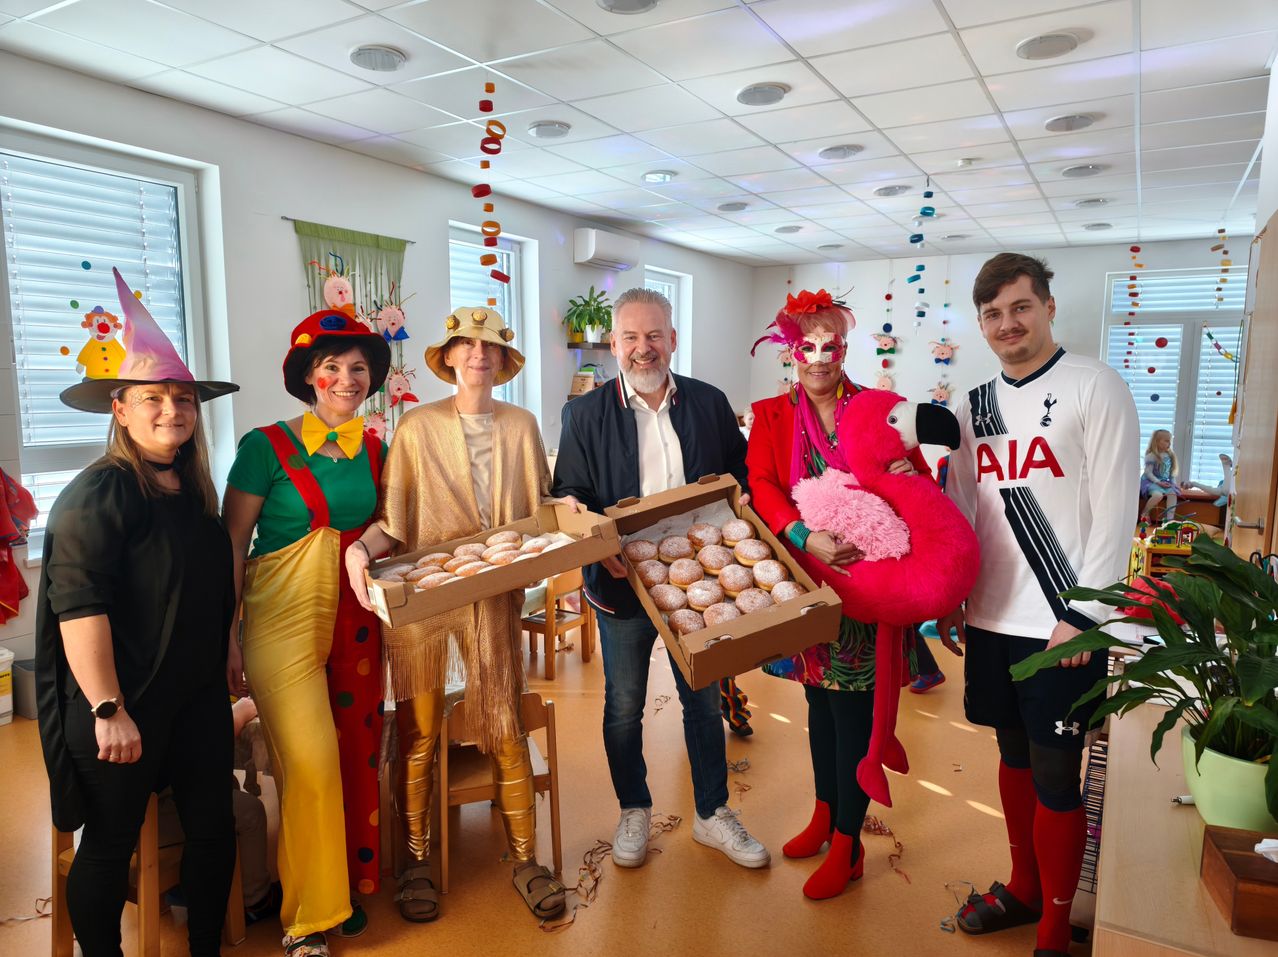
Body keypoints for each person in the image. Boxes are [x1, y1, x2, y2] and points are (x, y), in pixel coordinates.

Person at [35, 267, 239, 957]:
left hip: (194, 698)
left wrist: (227, 648)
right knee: (109, 847)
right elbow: (78, 607)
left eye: (182, 398)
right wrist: (105, 707)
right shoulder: (99, 494)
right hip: (121, 708)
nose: (171, 410)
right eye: (153, 397)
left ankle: (206, 947)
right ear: (119, 408)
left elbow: (206, 589)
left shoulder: (193, 488)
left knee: (216, 830)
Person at [938, 253, 1138, 957]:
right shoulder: (971, 406)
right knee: (1013, 756)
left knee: (1058, 769)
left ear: (1048, 306)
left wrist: (1086, 614)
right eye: (992, 313)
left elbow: (1117, 514)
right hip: (991, 616)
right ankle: (1023, 888)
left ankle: (1056, 922)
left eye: (1019, 307)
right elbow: (961, 510)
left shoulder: (1096, 386)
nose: (1006, 323)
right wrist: (948, 594)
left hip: (1063, 624)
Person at [345, 305, 567, 924]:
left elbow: (541, 508)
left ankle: (526, 859)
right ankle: (416, 861)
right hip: (426, 603)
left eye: (490, 347)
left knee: (503, 725)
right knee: (418, 735)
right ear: (449, 358)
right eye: (467, 345)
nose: (478, 354)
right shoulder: (416, 429)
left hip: (494, 602)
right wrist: (362, 549)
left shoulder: (521, 426)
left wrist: (569, 510)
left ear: (501, 361)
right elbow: (395, 521)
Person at [552, 286, 770, 871]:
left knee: (701, 703)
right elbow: (568, 495)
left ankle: (711, 814)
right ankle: (634, 809)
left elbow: (739, 474)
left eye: (654, 336)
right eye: (630, 337)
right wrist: (600, 543)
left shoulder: (709, 402)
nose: (642, 349)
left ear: (673, 339)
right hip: (620, 581)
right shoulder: (583, 413)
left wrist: (745, 509)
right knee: (623, 705)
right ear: (614, 343)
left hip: (701, 577)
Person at [746, 288, 929, 900]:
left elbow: (920, 481)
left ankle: (849, 844)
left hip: (869, 583)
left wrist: (904, 476)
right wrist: (803, 533)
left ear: (845, 348)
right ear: (788, 352)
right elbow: (763, 484)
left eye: (831, 345)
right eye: (807, 346)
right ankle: (825, 814)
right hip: (805, 581)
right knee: (818, 707)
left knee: (854, 715)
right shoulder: (772, 416)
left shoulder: (880, 410)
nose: (819, 357)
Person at [223, 307, 391, 957]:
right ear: (308, 377)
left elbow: (391, 524)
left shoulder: (374, 448)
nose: (347, 379)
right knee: (312, 764)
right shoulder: (264, 445)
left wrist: (366, 549)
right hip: (279, 622)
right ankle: (305, 919)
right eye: (332, 367)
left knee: (351, 756)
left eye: (358, 368)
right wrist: (227, 635)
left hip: (352, 623)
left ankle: (338, 886)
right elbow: (233, 544)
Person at [158, 697, 283, 927]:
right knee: (250, 812)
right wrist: (236, 715)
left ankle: (191, 886)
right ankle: (256, 901)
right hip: (154, 819)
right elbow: (202, 749)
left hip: (132, 815)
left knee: (227, 785)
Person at [1139, 429, 1180, 521]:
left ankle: (1169, 519)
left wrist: (1173, 483)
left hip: (1163, 482)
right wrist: (1158, 482)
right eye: (1166, 441)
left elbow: (1171, 473)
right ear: (1157, 442)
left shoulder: (1170, 456)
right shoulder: (1151, 456)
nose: (1169, 443)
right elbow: (1148, 473)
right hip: (1151, 481)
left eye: (1170, 441)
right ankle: (1145, 513)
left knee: (1173, 494)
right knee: (1158, 495)